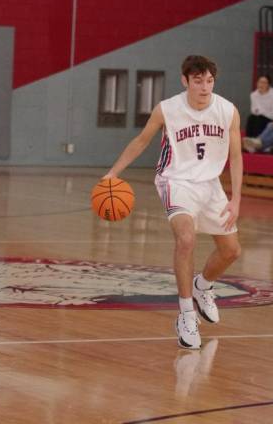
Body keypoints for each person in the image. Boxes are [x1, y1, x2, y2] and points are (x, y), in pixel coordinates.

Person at [103, 55, 242, 350]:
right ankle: (186, 314)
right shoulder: (168, 109)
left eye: (209, 81)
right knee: (186, 239)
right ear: (185, 81)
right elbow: (141, 141)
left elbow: (237, 156)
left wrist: (236, 198)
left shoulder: (227, 110)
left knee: (231, 251)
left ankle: (202, 286)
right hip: (176, 181)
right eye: (198, 81)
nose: (204, 88)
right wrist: (113, 173)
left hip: (211, 185)